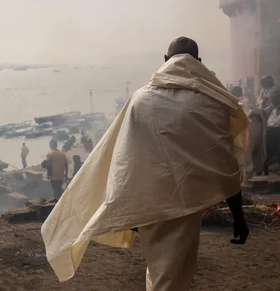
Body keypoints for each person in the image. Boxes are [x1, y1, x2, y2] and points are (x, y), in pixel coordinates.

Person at [42, 37, 250, 290]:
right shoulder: (214, 103)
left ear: (165, 60)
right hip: (187, 202)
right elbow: (225, 165)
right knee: (173, 272)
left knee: (163, 269)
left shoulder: (142, 98)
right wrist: (238, 216)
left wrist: (128, 209)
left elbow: (126, 161)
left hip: (149, 200)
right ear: (199, 62)